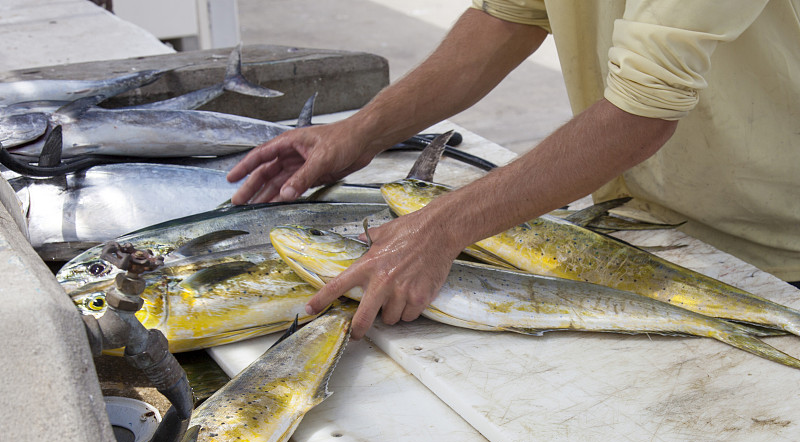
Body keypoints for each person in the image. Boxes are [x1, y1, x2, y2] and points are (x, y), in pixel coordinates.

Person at [227, 0, 800, 340]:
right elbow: (509, 18)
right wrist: (359, 132)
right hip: (654, 218)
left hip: (780, 233)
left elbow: (640, 114)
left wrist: (440, 227)